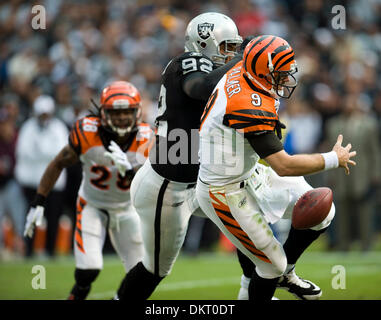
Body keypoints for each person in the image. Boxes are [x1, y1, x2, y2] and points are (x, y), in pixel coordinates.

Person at [196, 35, 356, 301]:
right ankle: (279, 274)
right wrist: (333, 158)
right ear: (263, 71)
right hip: (223, 191)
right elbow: (284, 165)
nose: (285, 78)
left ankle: (287, 272)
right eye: (280, 73)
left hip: (249, 172)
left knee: (323, 210)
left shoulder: (245, 69)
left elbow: (249, 48)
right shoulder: (246, 104)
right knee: (270, 266)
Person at [118, 12, 245, 300]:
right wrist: (242, 63)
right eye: (226, 47)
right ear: (204, 43)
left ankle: (255, 290)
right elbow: (200, 87)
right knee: (156, 270)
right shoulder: (189, 64)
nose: (231, 55)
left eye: (235, 49)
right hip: (168, 186)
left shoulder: (217, 73)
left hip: (199, 181)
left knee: (246, 224)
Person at [23, 81, 154, 300]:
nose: (122, 117)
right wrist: (38, 201)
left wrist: (131, 172)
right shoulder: (87, 133)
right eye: (116, 112)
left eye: (127, 112)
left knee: (141, 271)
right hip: (92, 206)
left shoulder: (147, 138)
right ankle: (78, 293)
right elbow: (58, 163)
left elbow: (152, 182)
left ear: (137, 112)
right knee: (88, 270)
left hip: (127, 209)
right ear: (103, 113)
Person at [16, 95, 68, 258]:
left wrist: (41, 152)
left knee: (53, 217)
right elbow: (24, 152)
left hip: (55, 182)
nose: (44, 117)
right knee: (30, 217)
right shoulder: (28, 128)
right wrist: (46, 153)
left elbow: (62, 153)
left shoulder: (59, 128)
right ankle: (28, 251)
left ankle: (50, 251)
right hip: (33, 182)